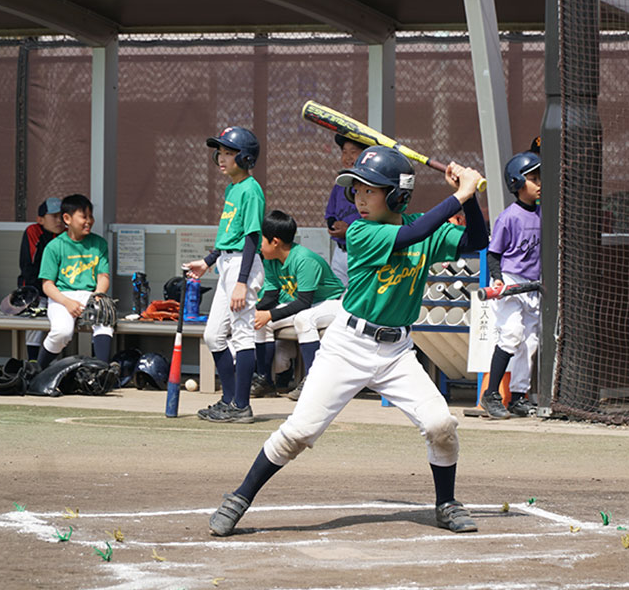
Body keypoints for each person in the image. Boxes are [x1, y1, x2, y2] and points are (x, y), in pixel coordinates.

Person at [207, 146, 488, 537]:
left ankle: (447, 503)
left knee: (441, 424)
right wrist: (459, 194)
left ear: (397, 195)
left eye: (369, 191)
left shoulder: (424, 223)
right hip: (347, 345)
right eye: (356, 190)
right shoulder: (361, 231)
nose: (357, 198)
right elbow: (412, 234)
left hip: (397, 352)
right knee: (299, 432)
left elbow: (477, 241)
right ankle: (239, 497)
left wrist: (470, 198)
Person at [184, 126, 265, 424]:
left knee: (243, 335)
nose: (221, 157)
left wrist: (242, 282)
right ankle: (230, 400)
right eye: (220, 151)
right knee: (213, 335)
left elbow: (251, 238)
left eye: (229, 152)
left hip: (244, 266)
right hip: (227, 266)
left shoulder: (251, 190)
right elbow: (229, 236)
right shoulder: (233, 188)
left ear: (244, 158)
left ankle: (241, 405)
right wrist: (208, 261)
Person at [251, 210, 345, 400]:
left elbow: (304, 302)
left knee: (304, 318)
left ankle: (312, 381)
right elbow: (272, 294)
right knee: (260, 322)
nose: (259, 246)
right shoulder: (271, 259)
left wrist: (269, 314)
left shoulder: (304, 259)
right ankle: (265, 380)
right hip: (307, 305)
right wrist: (257, 311)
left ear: (275, 242)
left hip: (334, 303)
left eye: (262, 240)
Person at [479, 151, 542, 419]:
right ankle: (491, 393)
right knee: (512, 334)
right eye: (533, 178)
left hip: (534, 284)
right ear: (517, 182)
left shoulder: (542, 214)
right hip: (512, 282)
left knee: (530, 341)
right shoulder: (510, 216)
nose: (539, 183)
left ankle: (518, 397)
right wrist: (497, 279)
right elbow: (494, 253)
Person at [36, 194, 112, 369]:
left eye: (90, 216)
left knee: (105, 320)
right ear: (67, 218)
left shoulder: (99, 243)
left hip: (90, 294)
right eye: (84, 217)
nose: (89, 221)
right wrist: (67, 302)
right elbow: (47, 285)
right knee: (62, 332)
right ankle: (38, 369)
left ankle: (102, 370)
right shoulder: (54, 247)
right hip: (61, 296)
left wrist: (98, 295)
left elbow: (103, 276)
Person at [17, 197, 64, 360]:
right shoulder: (33, 231)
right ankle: (33, 363)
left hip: (60, 292)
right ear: (40, 219)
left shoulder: (67, 235)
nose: (59, 220)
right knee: (35, 326)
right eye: (54, 216)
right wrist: (35, 294)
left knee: (61, 327)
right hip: (36, 291)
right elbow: (28, 266)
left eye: (61, 215)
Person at [324, 134, 368, 286]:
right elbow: (330, 213)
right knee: (337, 299)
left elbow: (375, 224)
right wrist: (333, 225)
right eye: (344, 151)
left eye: (353, 151)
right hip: (341, 251)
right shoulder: (340, 184)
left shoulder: (371, 186)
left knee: (357, 299)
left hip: (361, 251)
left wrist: (348, 231)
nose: (348, 157)